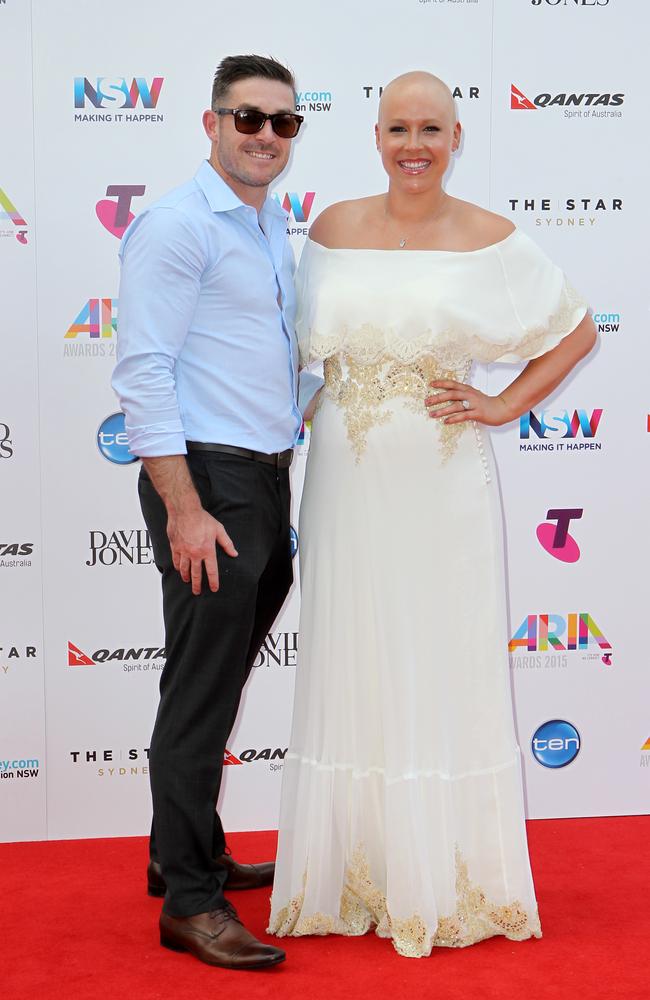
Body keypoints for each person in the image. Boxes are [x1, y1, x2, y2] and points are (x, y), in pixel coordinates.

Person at [268, 71, 596, 958]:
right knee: (351, 652)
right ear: (375, 135)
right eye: (398, 128)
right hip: (344, 478)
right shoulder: (331, 229)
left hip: (442, 485)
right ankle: (355, 871)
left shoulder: (492, 240)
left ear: (458, 138)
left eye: (432, 129)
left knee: (437, 659)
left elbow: (576, 330)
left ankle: (445, 878)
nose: (414, 145)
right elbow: (295, 347)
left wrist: (502, 404)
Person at [112, 54, 307, 971]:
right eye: (249, 119)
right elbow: (144, 374)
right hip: (208, 486)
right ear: (211, 123)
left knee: (215, 684)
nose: (266, 136)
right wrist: (182, 507)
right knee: (198, 698)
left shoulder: (270, 227)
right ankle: (190, 903)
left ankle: (183, 854)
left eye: (283, 123)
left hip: (265, 479)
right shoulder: (176, 224)